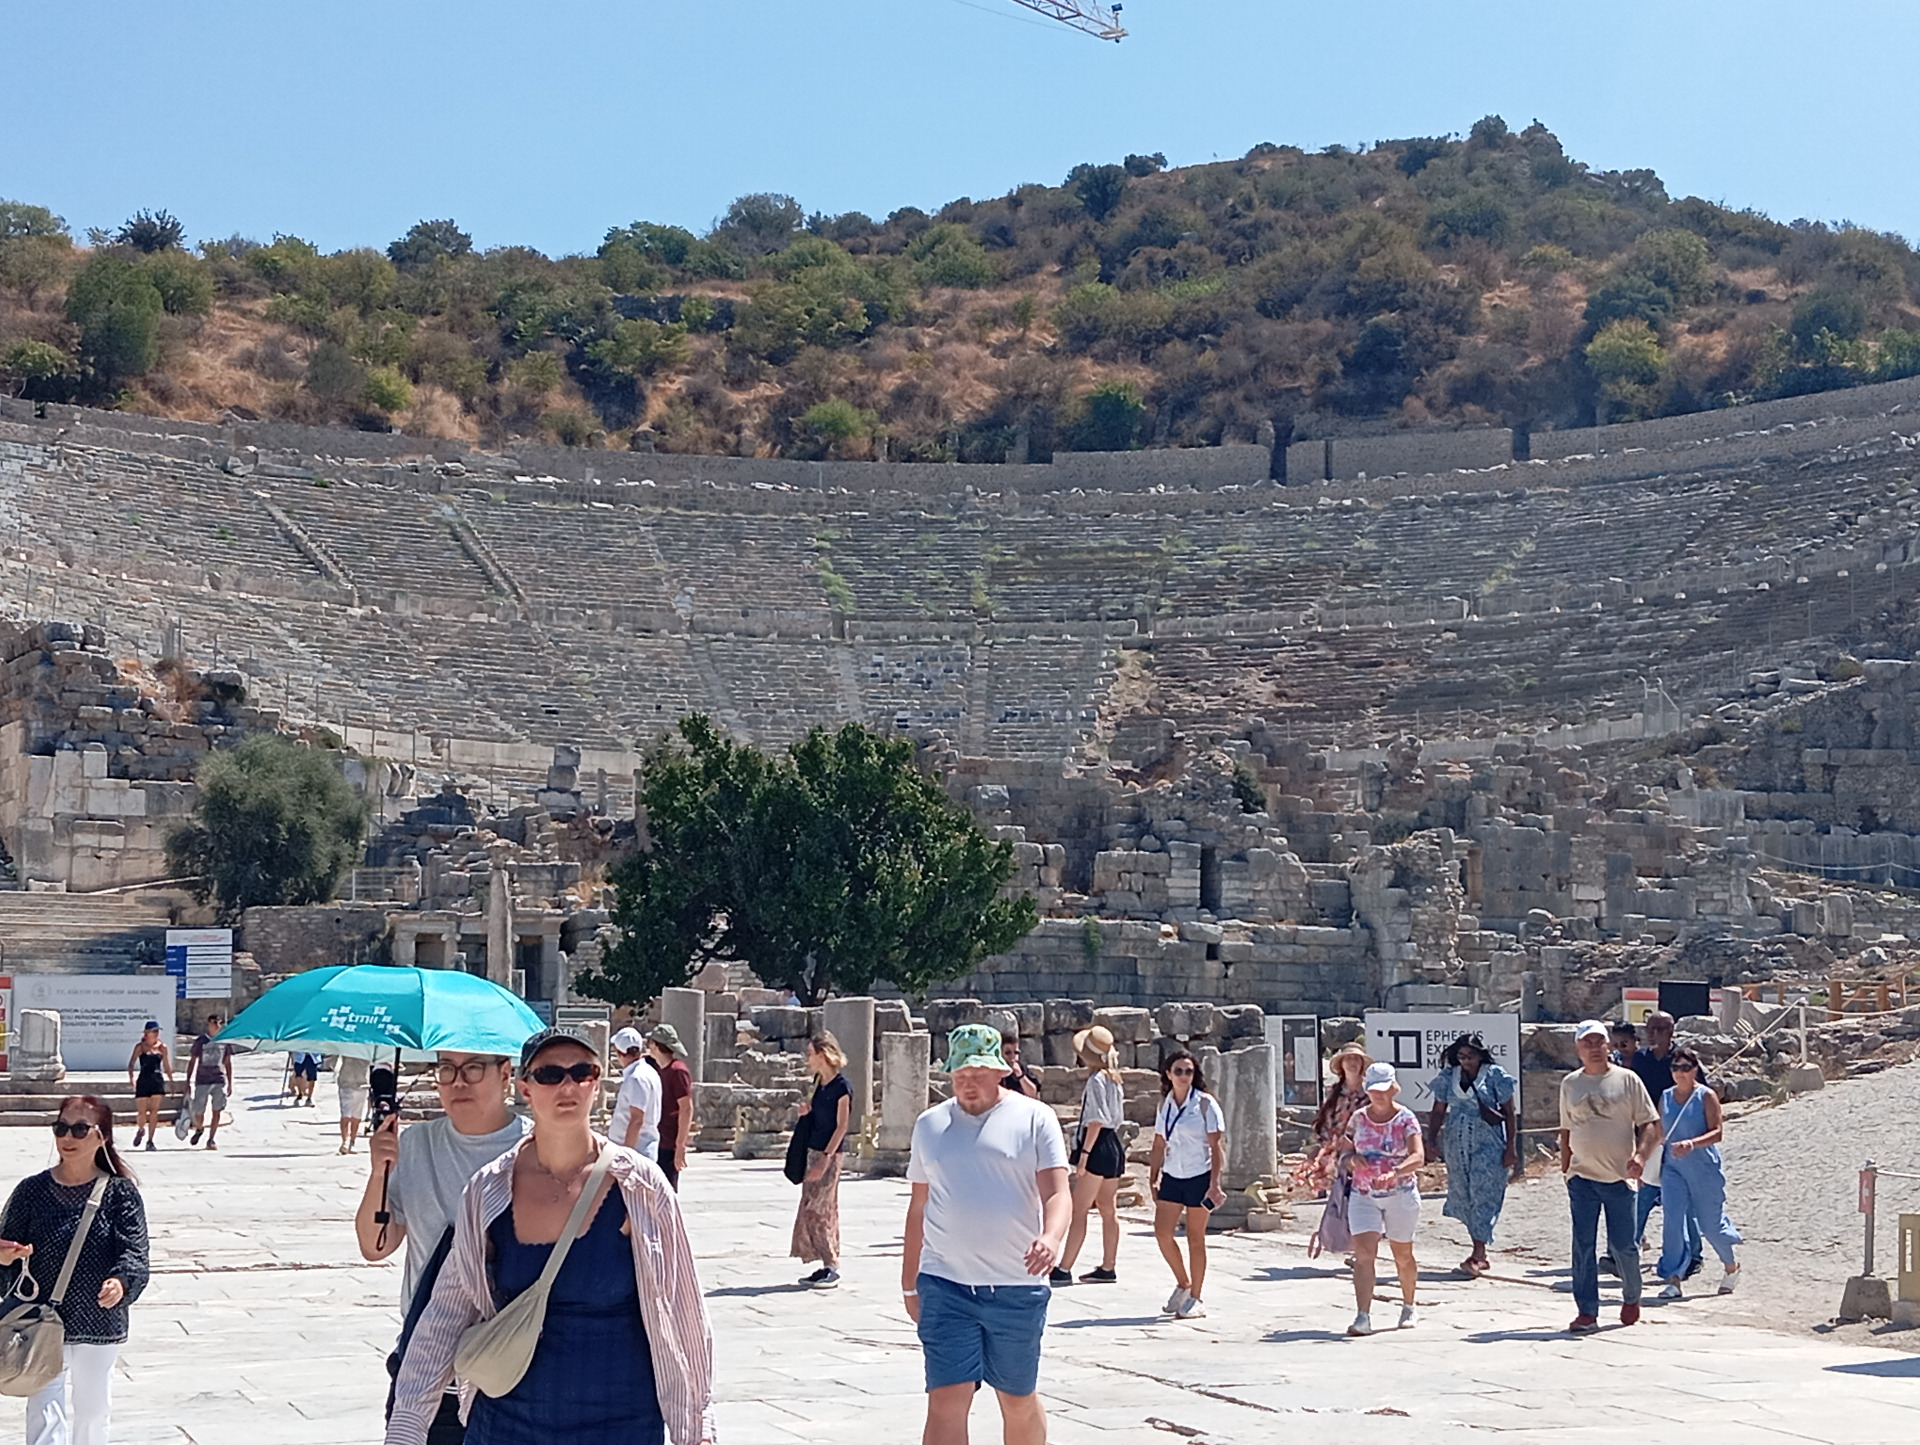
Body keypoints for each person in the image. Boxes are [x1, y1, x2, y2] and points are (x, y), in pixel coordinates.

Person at [386, 1026, 715, 1445]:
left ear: (597, 1082)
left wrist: (699, 1430)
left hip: (621, 1420)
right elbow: (445, 1314)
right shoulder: (489, 1191)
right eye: (549, 1075)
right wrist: (407, 1426)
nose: (568, 1085)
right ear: (524, 1087)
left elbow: (685, 1312)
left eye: (582, 1073)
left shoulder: (640, 1187)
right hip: (509, 1420)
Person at [902, 1024, 1069, 1445]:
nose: (968, 1084)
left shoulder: (1035, 1118)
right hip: (945, 1284)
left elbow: (1057, 1192)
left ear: (999, 1071)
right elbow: (919, 1206)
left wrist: (1050, 1238)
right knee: (946, 1397)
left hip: (1014, 1286)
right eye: (960, 1076)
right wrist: (910, 1283)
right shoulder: (929, 1125)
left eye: (977, 1074)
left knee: (1016, 1398)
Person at [360, 1049, 528, 1445]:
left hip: (509, 1368)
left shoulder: (535, 1150)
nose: (458, 1082)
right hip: (426, 1369)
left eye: (472, 1068)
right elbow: (375, 1245)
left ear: (506, 1074)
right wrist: (379, 1171)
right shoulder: (415, 1144)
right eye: (446, 1069)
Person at [0, 1096, 150, 1445]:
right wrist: (6, 1256)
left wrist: (121, 1282)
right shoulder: (31, 1190)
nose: (68, 1137)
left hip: (99, 1321)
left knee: (93, 1413)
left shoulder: (120, 1193)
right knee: (43, 1411)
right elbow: (6, 1244)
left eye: (80, 1129)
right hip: (39, 1320)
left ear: (102, 1137)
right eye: (61, 1128)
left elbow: (135, 1252)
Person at [1559, 1019, 1661, 1333]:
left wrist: (1641, 1156)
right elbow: (1565, 1130)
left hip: (1619, 1177)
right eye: (1586, 1043)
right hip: (1582, 1178)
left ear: (1608, 1046)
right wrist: (1566, 1171)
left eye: (1598, 1042)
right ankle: (1587, 1311)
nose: (1593, 1048)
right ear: (1578, 1049)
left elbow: (1651, 1125)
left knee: (1623, 1246)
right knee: (1583, 1245)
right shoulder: (1570, 1084)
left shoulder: (1627, 1080)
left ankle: (1631, 1296)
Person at [1654, 1046, 1744, 1300]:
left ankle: (1731, 1266)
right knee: (1672, 1221)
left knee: (1709, 1225)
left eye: (1685, 1067)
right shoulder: (1666, 1097)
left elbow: (1718, 1132)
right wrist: (1641, 1157)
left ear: (1694, 1069)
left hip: (1703, 1168)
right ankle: (1673, 1278)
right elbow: (1660, 1132)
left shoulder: (1706, 1096)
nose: (1680, 1073)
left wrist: (1692, 1143)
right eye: (1675, 1068)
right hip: (1673, 1169)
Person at [1427, 1031, 1518, 1277]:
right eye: (1462, 1056)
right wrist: (1431, 1139)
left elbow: (1509, 1113)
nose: (1466, 1061)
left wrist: (1511, 1147)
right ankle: (1479, 1249)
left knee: (1484, 1190)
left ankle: (1478, 1252)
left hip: (1488, 1142)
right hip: (1457, 1142)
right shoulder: (1449, 1077)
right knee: (1464, 1193)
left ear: (1480, 1055)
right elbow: (1438, 1110)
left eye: (1470, 1056)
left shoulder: (1495, 1076)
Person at [1343, 1062, 1425, 1335]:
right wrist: (1353, 1160)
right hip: (1363, 1194)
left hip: (1399, 1193)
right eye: (1373, 1090)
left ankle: (1409, 1303)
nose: (1378, 1095)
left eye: (1383, 1089)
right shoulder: (1357, 1119)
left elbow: (1418, 1156)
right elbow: (1343, 1154)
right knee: (1364, 1253)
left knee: (1402, 1254)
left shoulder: (1406, 1119)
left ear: (1393, 1088)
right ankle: (1363, 1316)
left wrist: (1396, 1172)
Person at [1147, 1048, 1225, 1321]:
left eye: (1188, 1071)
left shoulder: (1205, 1104)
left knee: (1195, 1237)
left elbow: (1217, 1147)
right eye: (1178, 1071)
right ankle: (1183, 1282)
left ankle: (1197, 1296)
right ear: (1168, 1074)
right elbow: (1158, 1142)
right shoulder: (1165, 1104)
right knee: (1162, 1233)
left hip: (1198, 1174)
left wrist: (1215, 1184)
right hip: (1172, 1172)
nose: (1183, 1076)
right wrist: (1153, 1174)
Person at [1629, 1011, 1701, 1277]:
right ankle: (1627, 1248)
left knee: (1685, 1201)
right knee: (1644, 1194)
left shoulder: (1682, 1059)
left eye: (1661, 1029)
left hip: (1678, 1139)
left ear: (1671, 1031)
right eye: (1651, 1029)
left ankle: (1694, 1254)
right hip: (1649, 1137)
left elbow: (1700, 1095)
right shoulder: (1641, 1059)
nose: (1655, 1034)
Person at [1051, 1025, 1125, 1286]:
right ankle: (1108, 1265)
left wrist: (1084, 1155)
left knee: (1079, 1209)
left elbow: (1096, 1121)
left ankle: (1064, 1267)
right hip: (1115, 1145)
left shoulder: (1096, 1081)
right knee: (1108, 1208)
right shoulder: (1115, 1078)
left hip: (1098, 1145)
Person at [792, 1032, 852, 1289]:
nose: (808, 1059)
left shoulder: (842, 1087)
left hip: (830, 1153)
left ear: (823, 1055)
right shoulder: (818, 1083)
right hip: (812, 1150)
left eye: (810, 1054)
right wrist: (807, 1113)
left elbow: (842, 1126)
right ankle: (823, 1262)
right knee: (810, 1207)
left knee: (821, 1208)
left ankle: (832, 1264)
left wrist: (825, 1159)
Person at [645, 1025, 693, 1191]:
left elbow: (686, 1108)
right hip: (653, 1140)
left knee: (666, 1192)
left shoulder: (678, 1071)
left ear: (655, 1045)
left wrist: (680, 1145)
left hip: (668, 1143)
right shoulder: (655, 1068)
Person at [608, 1028, 661, 1161]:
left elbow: (637, 1119)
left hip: (636, 1153)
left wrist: (627, 1156)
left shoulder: (636, 1078)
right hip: (641, 1149)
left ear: (620, 1053)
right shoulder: (649, 1072)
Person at [187, 1013, 235, 1149]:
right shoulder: (201, 1041)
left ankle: (211, 1139)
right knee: (199, 1110)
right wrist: (188, 1081)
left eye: (218, 1023)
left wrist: (230, 1082)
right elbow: (192, 1061)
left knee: (217, 1109)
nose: (216, 1025)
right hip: (202, 1079)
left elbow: (227, 1062)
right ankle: (200, 1128)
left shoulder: (224, 1041)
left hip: (218, 1078)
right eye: (213, 1023)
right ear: (208, 1024)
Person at [124, 1023, 171, 1153]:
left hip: (157, 1080)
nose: (156, 1034)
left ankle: (150, 1140)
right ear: (147, 1033)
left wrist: (171, 1081)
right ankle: (141, 1129)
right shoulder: (140, 1047)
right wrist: (131, 1078)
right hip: (144, 1079)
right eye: (153, 1031)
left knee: (154, 1111)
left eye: (157, 1031)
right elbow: (131, 1063)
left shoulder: (162, 1047)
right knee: (142, 1111)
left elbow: (166, 1065)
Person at [334, 1053, 372, 1155]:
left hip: (362, 1083)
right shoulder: (347, 1045)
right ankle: (345, 1141)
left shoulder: (368, 1048)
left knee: (357, 1115)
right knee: (345, 1114)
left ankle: (352, 1141)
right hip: (346, 1082)